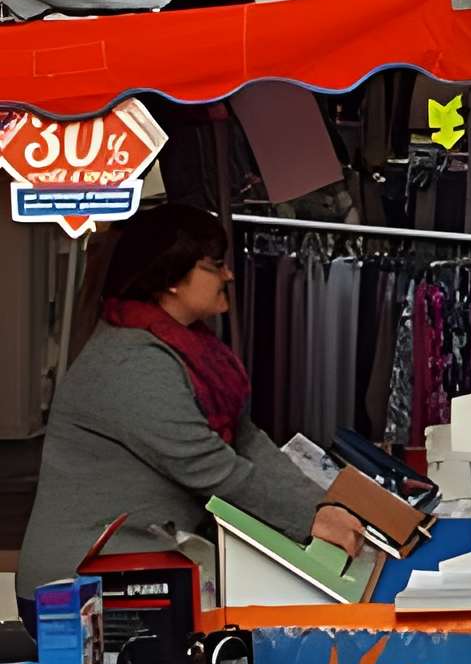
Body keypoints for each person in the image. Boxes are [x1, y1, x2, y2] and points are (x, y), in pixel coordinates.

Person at [17, 204, 364, 607]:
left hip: (136, 571)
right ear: (173, 279)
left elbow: (247, 441)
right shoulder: (132, 361)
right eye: (215, 265)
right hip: (77, 587)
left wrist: (324, 504)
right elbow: (212, 467)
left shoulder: (188, 349)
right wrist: (314, 518)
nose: (229, 275)